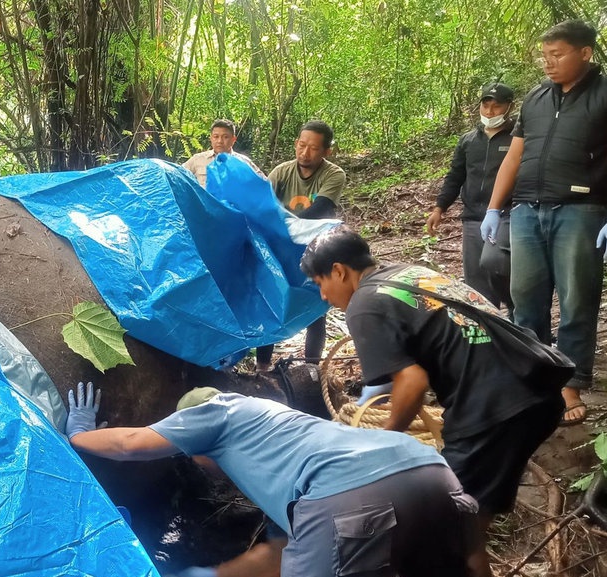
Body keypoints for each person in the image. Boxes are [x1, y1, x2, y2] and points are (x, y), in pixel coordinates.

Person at [300, 226, 566, 577]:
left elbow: (412, 381)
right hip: (538, 387)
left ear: (339, 271)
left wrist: (383, 441)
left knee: (443, 528)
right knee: (467, 525)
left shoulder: (364, 304)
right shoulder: (409, 272)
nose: (322, 295)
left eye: (320, 283)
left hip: (494, 409)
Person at [65, 382, 478, 577]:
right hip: (431, 472)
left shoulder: (217, 413)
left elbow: (130, 444)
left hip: (347, 496)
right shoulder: (283, 435)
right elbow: (283, 551)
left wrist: (78, 434)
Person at [480, 20, 607, 426]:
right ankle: (534, 378)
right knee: (525, 299)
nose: (549, 63)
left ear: (585, 53)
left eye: (557, 54)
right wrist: (494, 207)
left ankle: (571, 383)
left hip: (580, 210)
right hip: (526, 210)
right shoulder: (536, 98)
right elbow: (514, 157)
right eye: (545, 56)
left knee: (577, 300)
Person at [257, 120, 346, 371]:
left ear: (327, 151)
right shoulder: (282, 172)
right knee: (272, 303)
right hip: (280, 249)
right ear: (296, 144)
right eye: (302, 145)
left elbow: (321, 208)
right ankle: (262, 368)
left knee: (316, 308)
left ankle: (310, 369)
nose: (305, 153)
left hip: (316, 248)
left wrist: (284, 227)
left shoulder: (333, 174)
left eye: (314, 148)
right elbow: (263, 204)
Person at [427, 83, 516, 313]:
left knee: (498, 264)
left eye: (497, 107)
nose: (490, 112)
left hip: (506, 216)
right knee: (476, 279)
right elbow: (455, 175)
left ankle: (518, 314)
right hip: (473, 217)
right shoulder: (468, 140)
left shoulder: (517, 138)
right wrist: (440, 207)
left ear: (509, 107)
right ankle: (488, 324)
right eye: (486, 105)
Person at [182, 119, 264, 187]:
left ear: (233, 140)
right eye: (216, 137)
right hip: (203, 205)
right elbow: (178, 176)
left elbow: (264, 185)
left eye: (225, 137)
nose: (220, 141)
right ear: (211, 138)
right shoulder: (198, 160)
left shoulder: (244, 162)